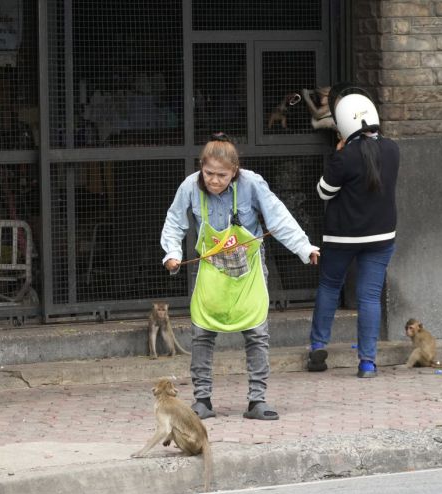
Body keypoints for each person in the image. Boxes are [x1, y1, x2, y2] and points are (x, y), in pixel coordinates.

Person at [161, 134, 320, 421]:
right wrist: (171, 254)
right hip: (211, 270)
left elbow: (278, 218)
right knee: (202, 334)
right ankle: (202, 400)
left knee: (257, 334)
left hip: (249, 271)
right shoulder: (189, 186)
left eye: (222, 175)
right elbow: (174, 222)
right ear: (201, 168)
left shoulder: (252, 184)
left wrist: (304, 248)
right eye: (208, 173)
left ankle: (257, 400)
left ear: (235, 171)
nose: (214, 180)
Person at [306, 87, 399, 379]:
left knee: (330, 287)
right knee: (369, 297)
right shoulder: (393, 149)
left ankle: (318, 347)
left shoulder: (344, 156)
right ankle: (368, 362)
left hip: (342, 236)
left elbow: (323, 191)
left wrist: (336, 157)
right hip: (382, 236)